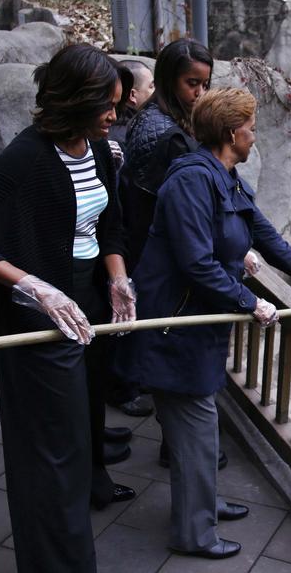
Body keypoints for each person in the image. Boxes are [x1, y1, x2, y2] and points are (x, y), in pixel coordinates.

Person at [117, 87, 291, 559]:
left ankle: (205, 504)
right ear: (232, 133)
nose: (254, 138)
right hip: (174, 324)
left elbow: (264, 234)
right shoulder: (191, 180)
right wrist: (250, 300)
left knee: (204, 429)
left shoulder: (224, 176)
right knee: (193, 433)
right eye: (250, 130)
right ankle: (193, 532)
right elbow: (195, 261)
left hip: (199, 326)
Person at [0, 44, 137, 572]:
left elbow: (109, 223)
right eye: (106, 105)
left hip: (92, 306)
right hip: (41, 323)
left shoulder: (99, 150)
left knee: (84, 432)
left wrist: (118, 278)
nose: (114, 116)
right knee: (52, 457)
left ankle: (92, 496)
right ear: (75, 101)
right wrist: (34, 287)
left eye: (118, 104)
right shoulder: (26, 159)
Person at [107, 38, 214, 418]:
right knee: (144, 321)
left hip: (142, 236)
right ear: (170, 80)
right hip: (149, 241)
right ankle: (126, 387)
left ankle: (130, 382)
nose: (199, 92)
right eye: (192, 83)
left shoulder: (155, 117)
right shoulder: (166, 133)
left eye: (205, 84)